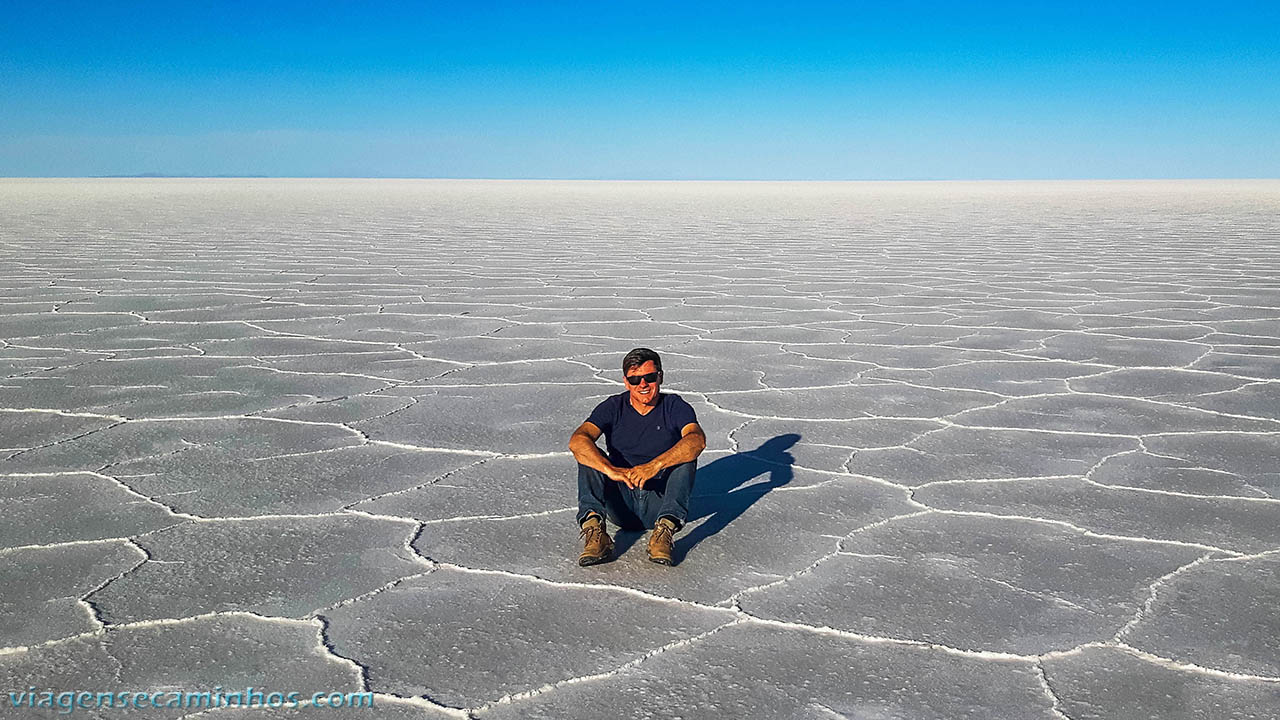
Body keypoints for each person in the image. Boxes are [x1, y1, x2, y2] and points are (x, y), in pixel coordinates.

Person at [568, 347, 706, 566]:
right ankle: (595, 532)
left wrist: (654, 466)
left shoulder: (674, 407)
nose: (643, 385)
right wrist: (610, 470)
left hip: (658, 503)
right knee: (588, 455)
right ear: (626, 382)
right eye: (635, 380)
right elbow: (578, 440)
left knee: (686, 454)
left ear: (660, 376)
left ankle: (664, 534)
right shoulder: (613, 407)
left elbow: (697, 439)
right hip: (621, 503)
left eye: (649, 377)